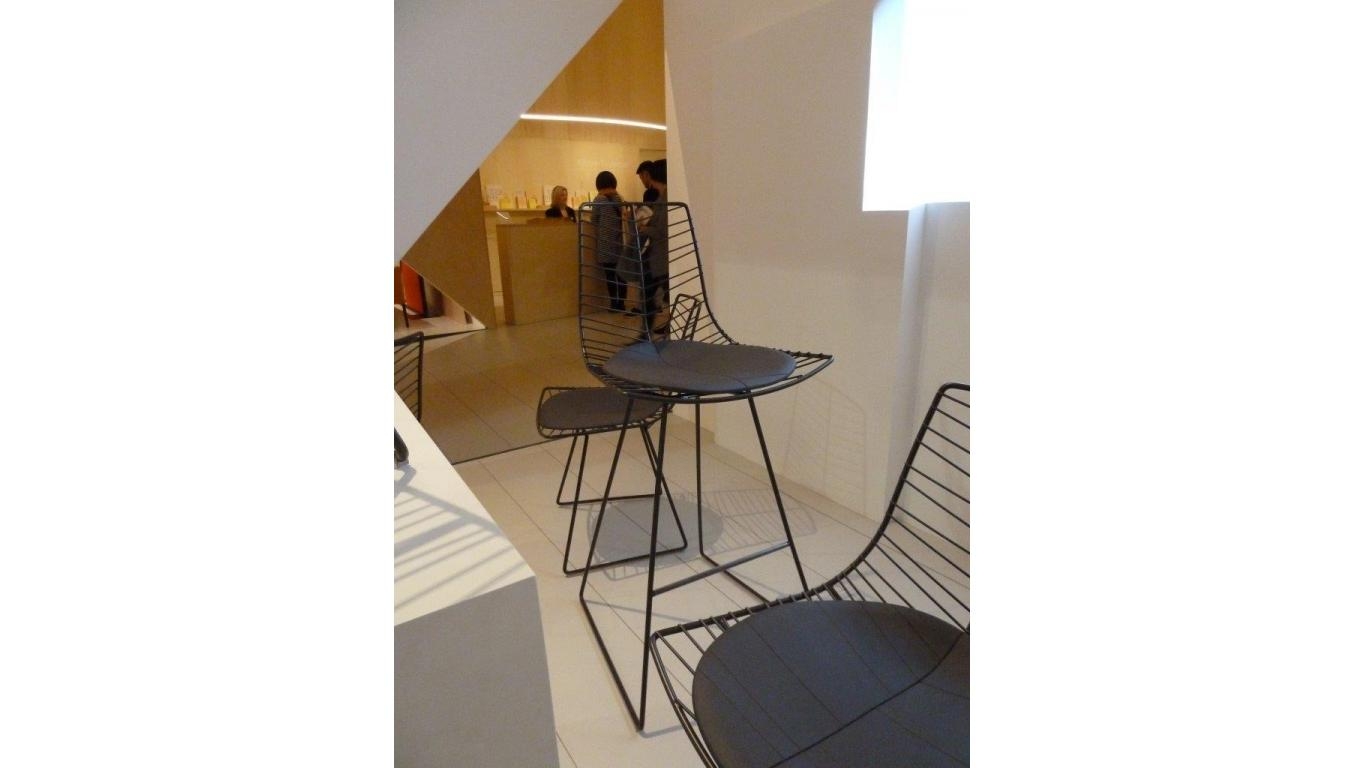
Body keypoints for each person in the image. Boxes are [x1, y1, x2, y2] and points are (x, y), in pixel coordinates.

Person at [589, 171, 627, 313]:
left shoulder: (599, 200)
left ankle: (614, 304)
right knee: (621, 275)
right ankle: (622, 303)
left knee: (610, 275)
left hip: (606, 243)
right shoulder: (619, 199)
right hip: (620, 243)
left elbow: (594, 219)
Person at [640, 159, 669, 333]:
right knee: (650, 292)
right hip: (657, 256)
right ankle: (646, 332)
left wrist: (644, 228)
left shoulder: (665, 199)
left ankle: (646, 333)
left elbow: (662, 230)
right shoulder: (662, 197)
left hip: (661, 256)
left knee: (653, 292)